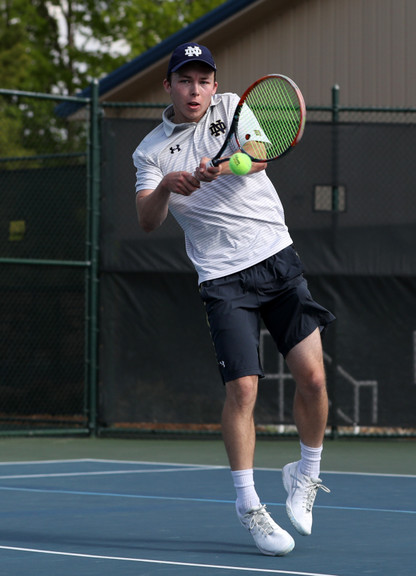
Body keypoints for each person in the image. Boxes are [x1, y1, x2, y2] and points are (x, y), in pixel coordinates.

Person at [131, 42, 335, 557]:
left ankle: (305, 474)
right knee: (243, 391)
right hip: (223, 277)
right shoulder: (150, 151)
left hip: (276, 255)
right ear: (169, 87)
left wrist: (226, 167)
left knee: (313, 377)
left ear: (215, 86)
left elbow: (262, 158)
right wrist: (169, 187)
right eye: (185, 80)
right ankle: (248, 504)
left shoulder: (232, 110)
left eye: (203, 80)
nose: (195, 89)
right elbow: (147, 219)